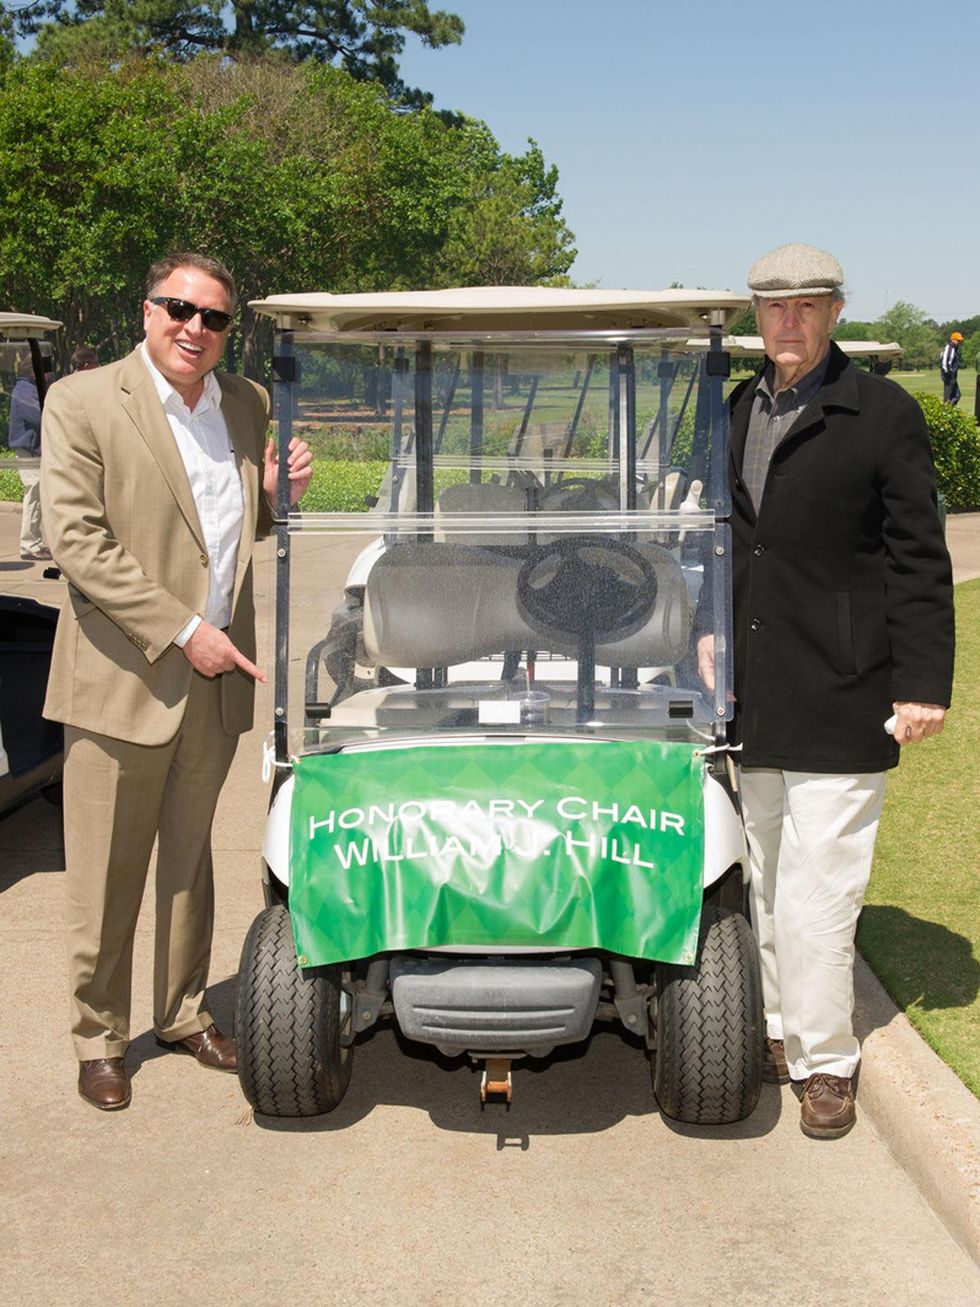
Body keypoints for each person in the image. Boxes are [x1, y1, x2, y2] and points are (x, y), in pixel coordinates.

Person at [40, 252, 313, 1111]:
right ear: (148, 308)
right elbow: (79, 541)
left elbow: (231, 526)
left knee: (191, 863)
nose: (195, 328)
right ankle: (99, 1037)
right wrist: (183, 629)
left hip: (215, 680)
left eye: (215, 318)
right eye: (179, 308)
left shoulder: (245, 403)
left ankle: (185, 1012)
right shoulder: (81, 401)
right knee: (107, 875)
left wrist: (277, 494)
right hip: (124, 676)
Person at [697, 243, 954, 1139]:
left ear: (838, 311)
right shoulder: (736, 410)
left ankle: (826, 1060)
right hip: (754, 694)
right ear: (755, 320)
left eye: (808, 305)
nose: (790, 322)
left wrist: (923, 682)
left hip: (847, 692)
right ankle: (774, 1030)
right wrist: (704, 627)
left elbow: (919, 559)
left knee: (819, 893)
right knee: (762, 877)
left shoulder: (883, 415)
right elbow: (723, 542)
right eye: (774, 308)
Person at [8, 354, 51, 562]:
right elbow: (38, 415)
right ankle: (29, 544)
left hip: (33, 449)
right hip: (28, 450)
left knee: (37, 494)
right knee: (33, 493)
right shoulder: (24, 390)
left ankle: (34, 539)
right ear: (33, 371)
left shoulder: (28, 388)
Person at [940, 330, 963, 405]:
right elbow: (944, 363)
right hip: (949, 377)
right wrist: (949, 374)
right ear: (953, 340)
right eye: (958, 340)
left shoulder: (955, 349)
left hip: (952, 377)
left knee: (957, 395)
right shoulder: (950, 348)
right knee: (947, 399)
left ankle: (950, 411)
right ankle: (946, 412)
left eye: (960, 341)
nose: (959, 342)